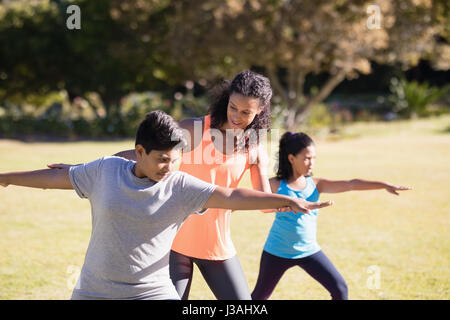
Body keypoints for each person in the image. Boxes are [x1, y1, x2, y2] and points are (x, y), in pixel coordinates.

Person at [0, 111, 333, 300]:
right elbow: (57, 179)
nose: (169, 167)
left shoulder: (180, 185)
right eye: (162, 160)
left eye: (175, 160)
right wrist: (6, 177)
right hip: (94, 291)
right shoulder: (105, 170)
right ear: (139, 151)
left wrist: (285, 199)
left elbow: (232, 196)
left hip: (151, 293)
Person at [113, 70, 276, 300]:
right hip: (172, 242)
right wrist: (85, 168)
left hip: (215, 243)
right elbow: (146, 155)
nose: (236, 116)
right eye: (233, 107)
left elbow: (265, 203)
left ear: (260, 110)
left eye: (246, 112)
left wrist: (290, 199)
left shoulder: (254, 146)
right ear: (226, 99)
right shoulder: (194, 130)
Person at [251, 132, 412, 300]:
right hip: (277, 251)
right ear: (291, 158)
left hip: (309, 250)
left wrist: (383, 185)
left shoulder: (316, 184)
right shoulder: (275, 184)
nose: (311, 163)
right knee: (258, 298)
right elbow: (258, 204)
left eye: (314, 158)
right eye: (306, 158)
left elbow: (351, 184)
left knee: (340, 290)